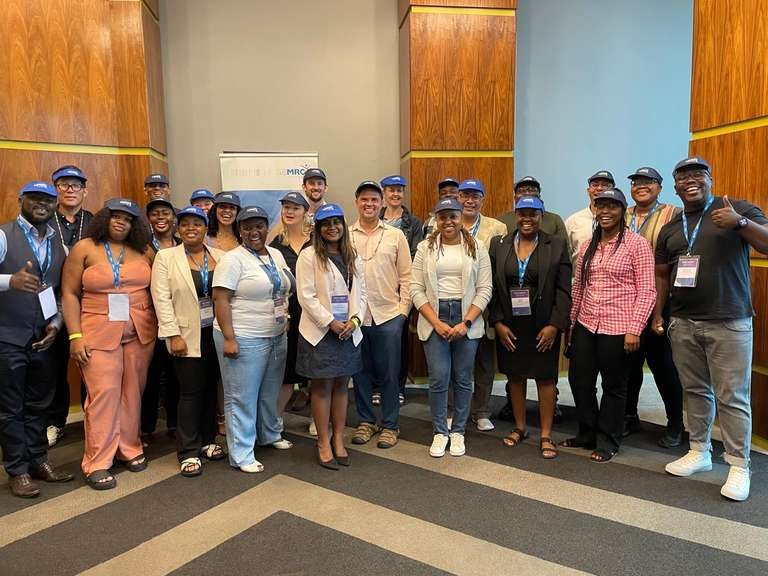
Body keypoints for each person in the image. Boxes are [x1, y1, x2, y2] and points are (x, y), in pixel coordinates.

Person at [656, 156, 768, 501]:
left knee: (732, 395)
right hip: (683, 321)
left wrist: (740, 223)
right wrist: (659, 315)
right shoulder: (672, 227)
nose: (691, 181)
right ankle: (699, 451)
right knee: (695, 390)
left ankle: (738, 465)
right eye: (683, 177)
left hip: (729, 321)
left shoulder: (736, 208)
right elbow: (662, 275)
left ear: (710, 179)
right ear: (676, 187)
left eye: (698, 174)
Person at [62, 199, 156, 490]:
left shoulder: (145, 250)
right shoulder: (84, 248)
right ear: (104, 218)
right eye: (115, 216)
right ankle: (98, 461)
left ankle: (129, 447)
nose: (120, 222)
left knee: (132, 393)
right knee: (103, 394)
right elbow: (69, 294)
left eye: (127, 219)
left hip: (140, 332)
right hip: (97, 333)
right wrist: (75, 336)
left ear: (135, 225)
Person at [562, 187, 655, 463]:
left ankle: (609, 440)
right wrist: (571, 325)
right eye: (600, 206)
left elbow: (647, 290)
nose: (605, 211)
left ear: (622, 211)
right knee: (579, 381)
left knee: (614, 386)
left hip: (619, 327)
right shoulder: (587, 245)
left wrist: (635, 328)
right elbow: (579, 287)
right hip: (587, 323)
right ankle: (586, 433)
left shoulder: (637, 245)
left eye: (612, 206)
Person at [0, 181, 73, 498]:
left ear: (55, 205)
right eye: (35, 198)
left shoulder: (60, 245)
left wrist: (56, 325)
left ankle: (38, 460)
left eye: (48, 200)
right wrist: (10, 281)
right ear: (21, 200)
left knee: (39, 404)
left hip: (44, 338)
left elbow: (60, 293)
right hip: (8, 337)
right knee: (10, 408)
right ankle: (17, 470)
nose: (42, 204)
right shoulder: (4, 236)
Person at [213, 206, 295, 474]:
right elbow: (220, 299)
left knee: (270, 392)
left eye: (259, 226)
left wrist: (285, 316)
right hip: (243, 336)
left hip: (275, 335)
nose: (253, 232)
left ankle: (270, 434)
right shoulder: (232, 260)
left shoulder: (275, 254)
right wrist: (229, 338)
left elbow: (282, 290)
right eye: (247, 227)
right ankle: (241, 453)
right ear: (240, 231)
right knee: (242, 397)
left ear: (266, 227)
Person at [489, 196, 571, 459]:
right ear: (516, 215)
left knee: (545, 378)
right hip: (510, 325)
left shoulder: (556, 244)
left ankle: (546, 434)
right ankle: (520, 427)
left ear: (541, 216)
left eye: (533, 214)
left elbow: (564, 290)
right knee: (515, 376)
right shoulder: (499, 244)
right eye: (522, 213)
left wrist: (555, 325)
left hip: (543, 325)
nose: (527, 219)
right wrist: (498, 322)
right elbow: (492, 287)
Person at [411, 198, 492, 458]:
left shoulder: (477, 247)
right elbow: (415, 289)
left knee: (463, 378)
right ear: (436, 219)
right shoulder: (425, 247)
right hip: (434, 316)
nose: (448, 221)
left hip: (466, 316)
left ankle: (458, 431)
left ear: (460, 217)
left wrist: (466, 322)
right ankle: (439, 432)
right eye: (443, 216)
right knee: (438, 377)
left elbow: (485, 289)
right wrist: (436, 322)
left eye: (453, 216)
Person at [151, 206, 226, 477]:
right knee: (190, 392)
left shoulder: (220, 256)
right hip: (185, 335)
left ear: (206, 228)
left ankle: (208, 440)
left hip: (215, 333)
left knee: (210, 389)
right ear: (178, 228)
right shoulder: (166, 257)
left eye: (197, 223)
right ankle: (188, 451)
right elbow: (161, 299)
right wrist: (173, 334)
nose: (191, 228)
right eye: (185, 224)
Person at [296, 203, 366, 469]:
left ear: (343, 225)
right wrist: (331, 322)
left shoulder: (352, 255)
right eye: (326, 224)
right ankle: (323, 442)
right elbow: (306, 296)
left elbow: (362, 293)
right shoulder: (309, 256)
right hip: (321, 332)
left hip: (348, 330)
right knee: (322, 387)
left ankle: (338, 438)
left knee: (342, 385)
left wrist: (355, 320)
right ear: (318, 228)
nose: (332, 227)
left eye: (336, 222)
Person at [622, 167, 684, 447]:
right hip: (626, 301)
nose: (641, 186)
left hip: (661, 299)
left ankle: (675, 423)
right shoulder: (622, 214)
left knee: (663, 365)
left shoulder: (674, 214)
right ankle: (629, 416)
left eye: (648, 182)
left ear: (660, 187)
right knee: (629, 363)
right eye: (636, 182)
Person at [349, 181, 412, 449]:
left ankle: (390, 424)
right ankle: (366, 421)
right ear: (356, 203)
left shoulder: (396, 236)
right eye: (364, 199)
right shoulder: (346, 235)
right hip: (356, 317)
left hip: (388, 315)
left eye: (374, 200)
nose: (369, 204)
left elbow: (407, 276)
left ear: (381, 203)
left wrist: (402, 313)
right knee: (360, 372)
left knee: (389, 374)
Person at [47, 165, 93, 447]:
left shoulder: (96, 222)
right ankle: (55, 421)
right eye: (64, 184)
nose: (70, 190)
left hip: (87, 303)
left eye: (76, 185)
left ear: (84, 191)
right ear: (56, 189)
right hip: (51, 304)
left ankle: (94, 419)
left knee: (92, 363)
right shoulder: (44, 219)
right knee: (53, 366)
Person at [458, 178, 507, 432]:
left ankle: (482, 411)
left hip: (486, 304)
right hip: (454, 304)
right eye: (465, 195)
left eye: (475, 196)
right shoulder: (446, 222)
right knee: (456, 361)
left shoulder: (497, 228)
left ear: (482, 200)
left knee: (484, 361)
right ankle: (456, 410)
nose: (470, 201)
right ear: (458, 198)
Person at [268, 192, 311, 422]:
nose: (289, 212)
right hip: (289, 314)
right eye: (286, 207)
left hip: (315, 313)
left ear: (305, 212)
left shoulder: (316, 240)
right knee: (287, 369)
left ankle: (318, 419)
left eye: (295, 208)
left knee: (318, 368)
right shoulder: (276, 244)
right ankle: (275, 421)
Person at [141, 198, 181, 443]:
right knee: (151, 376)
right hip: (150, 320)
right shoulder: (141, 246)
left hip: (179, 319)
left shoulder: (182, 245)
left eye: (165, 212)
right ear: (149, 219)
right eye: (155, 213)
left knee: (176, 375)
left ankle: (175, 424)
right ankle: (146, 428)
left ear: (173, 218)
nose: (160, 218)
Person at [499, 177, 568, 244]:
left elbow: (564, 247)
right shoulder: (502, 221)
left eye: (532, 190)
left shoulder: (554, 220)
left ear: (539, 197)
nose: (527, 193)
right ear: (514, 198)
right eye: (522, 190)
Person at [564, 170, 615, 262]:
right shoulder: (573, 221)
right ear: (588, 191)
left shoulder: (623, 219)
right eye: (595, 185)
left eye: (604, 185)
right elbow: (564, 256)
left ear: (614, 191)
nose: (599, 188)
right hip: (579, 271)